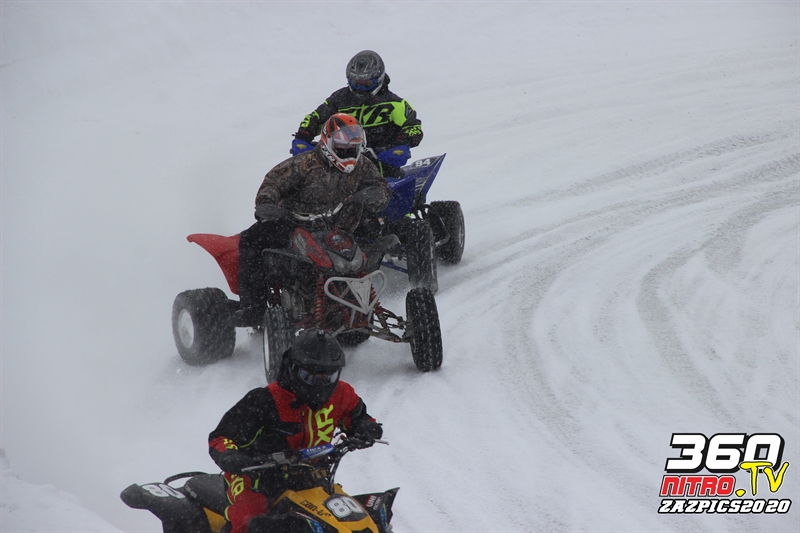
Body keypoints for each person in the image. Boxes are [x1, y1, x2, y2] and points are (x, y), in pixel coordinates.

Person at [208, 329, 383, 533]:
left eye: (328, 377)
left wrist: (366, 428)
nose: (320, 384)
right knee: (250, 520)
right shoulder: (264, 400)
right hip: (255, 478)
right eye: (310, 377)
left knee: (349, 520)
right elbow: (220, 438)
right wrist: (231, 457)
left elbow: (360, 419)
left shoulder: (343, 394)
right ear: (293, 369)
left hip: (312, 477)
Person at [237, 113, 391, 323]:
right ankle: (253, 308)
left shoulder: (363, 165)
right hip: (294, 224)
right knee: (250, 240)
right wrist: (267, 204)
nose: (348, 150)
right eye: (343, 145)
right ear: (327, 141)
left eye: (353, 146)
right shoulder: (305, 163)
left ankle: (356, 307)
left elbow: (382, 189)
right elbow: (273, 182)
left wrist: (375, 195)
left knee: (374, 232)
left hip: (340, 228)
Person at [291, 50, 423, 178]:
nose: (360, 89)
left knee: (389, 185)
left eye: (366, 84)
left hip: (383, 167)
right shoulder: (339, 100)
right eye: (356, 83)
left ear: (379, 80)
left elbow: (413, 127)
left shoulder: (395, 104)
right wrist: (303, 135)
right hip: (341, 162)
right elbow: (315, 118)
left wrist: (399, 144)